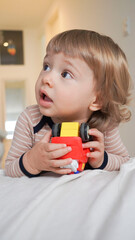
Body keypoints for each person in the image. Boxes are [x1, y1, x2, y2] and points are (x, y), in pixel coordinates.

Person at [5, 29, 132, 178]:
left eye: (66, 74)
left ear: (97, 100)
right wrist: (32, 161)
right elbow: (9, 169)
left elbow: (124, 161)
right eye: (47, 66)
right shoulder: (30, 119)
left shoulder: (104, 126)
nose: (47, 78)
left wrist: (102, 160)